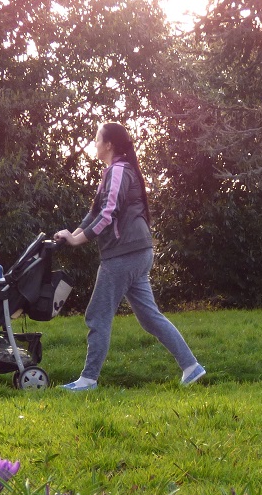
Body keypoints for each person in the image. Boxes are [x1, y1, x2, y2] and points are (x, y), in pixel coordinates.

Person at [54, 121, 205, 391]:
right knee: (150, 317)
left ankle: (88, 380)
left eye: (97, 139)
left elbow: (108, 212)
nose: (95, 143)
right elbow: (94, 212)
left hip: (123, 255)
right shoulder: (114, 171)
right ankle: (191, 367)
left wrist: (79, 239)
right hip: (137, 252)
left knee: (97, 315)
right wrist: (71, 234)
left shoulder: (119, 170)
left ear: (109, 144)